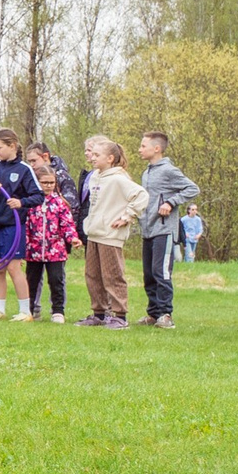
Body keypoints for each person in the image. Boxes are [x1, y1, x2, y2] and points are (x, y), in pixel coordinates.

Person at [78, 136, 145, 328]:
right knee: (93, 274)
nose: (92, 158)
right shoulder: (96, 178)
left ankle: (120, 316)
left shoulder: (118, 178)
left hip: (110, 235)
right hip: (94, 233)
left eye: (97, 155)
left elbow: (141, 195)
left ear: (110, 158)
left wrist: (127, 217)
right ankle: (99, 313)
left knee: (112, 275)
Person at [135, 130, 199, 329]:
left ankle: (166, 315)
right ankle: (153, 314)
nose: (139, 149)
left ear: (157, 148)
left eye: (143, 146)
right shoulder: (147, 172)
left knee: (161, 272)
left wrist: (171, 202)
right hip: (148, 230)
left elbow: (193, 189)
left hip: (165, 231)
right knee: (148, 274)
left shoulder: (168, 170)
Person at [0, 127, 43, 320]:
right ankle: (0, 310)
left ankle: (25, 311)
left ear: (12, 146)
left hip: (13, 226)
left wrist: (20, 202)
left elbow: (39, 196)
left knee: (14, 268)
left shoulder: (24, 169)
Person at [23, 154, 80, 323]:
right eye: (44, 183)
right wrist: (22, 246)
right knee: (31, 281)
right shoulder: (31, 202)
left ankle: (58, 311)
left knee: (56, 280)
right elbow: (24, 226)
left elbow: (67, 224)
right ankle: (30, 310)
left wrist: (73, 239)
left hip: (55, 250)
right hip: (33, 250)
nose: (48, 186)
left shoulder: (60, 203)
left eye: (51, 183)